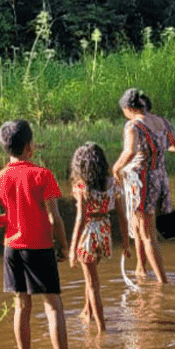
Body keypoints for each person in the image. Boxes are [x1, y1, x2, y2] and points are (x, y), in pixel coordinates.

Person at [0, 118, 69, 349]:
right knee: (53, 307)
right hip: (40, 247)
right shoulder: (43, 175)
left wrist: (10, 218)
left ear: (5, 147)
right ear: (30, 146)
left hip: (13, 249)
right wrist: (64, 246)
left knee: (22, 306)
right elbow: (55, 218)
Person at [111, 87, 175, 284]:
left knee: (147, 234)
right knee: (137, 225)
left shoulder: (133, 125)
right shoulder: (162, 122)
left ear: (128, 108)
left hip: (142, 182)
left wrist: (116, 169)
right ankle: (141, 269)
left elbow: (130, 152)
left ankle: (162, 282)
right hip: (160, 178)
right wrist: (158, 149)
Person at [67, 141, 128, 331]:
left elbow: (81, 219)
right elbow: (121, 215)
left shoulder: (81, 187)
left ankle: (101, 329)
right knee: (90, 278)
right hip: (104, 232)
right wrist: (126, 242)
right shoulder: (113, 184)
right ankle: (88, 312)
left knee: (93, 284)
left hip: (88, 235)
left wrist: (72, 248)